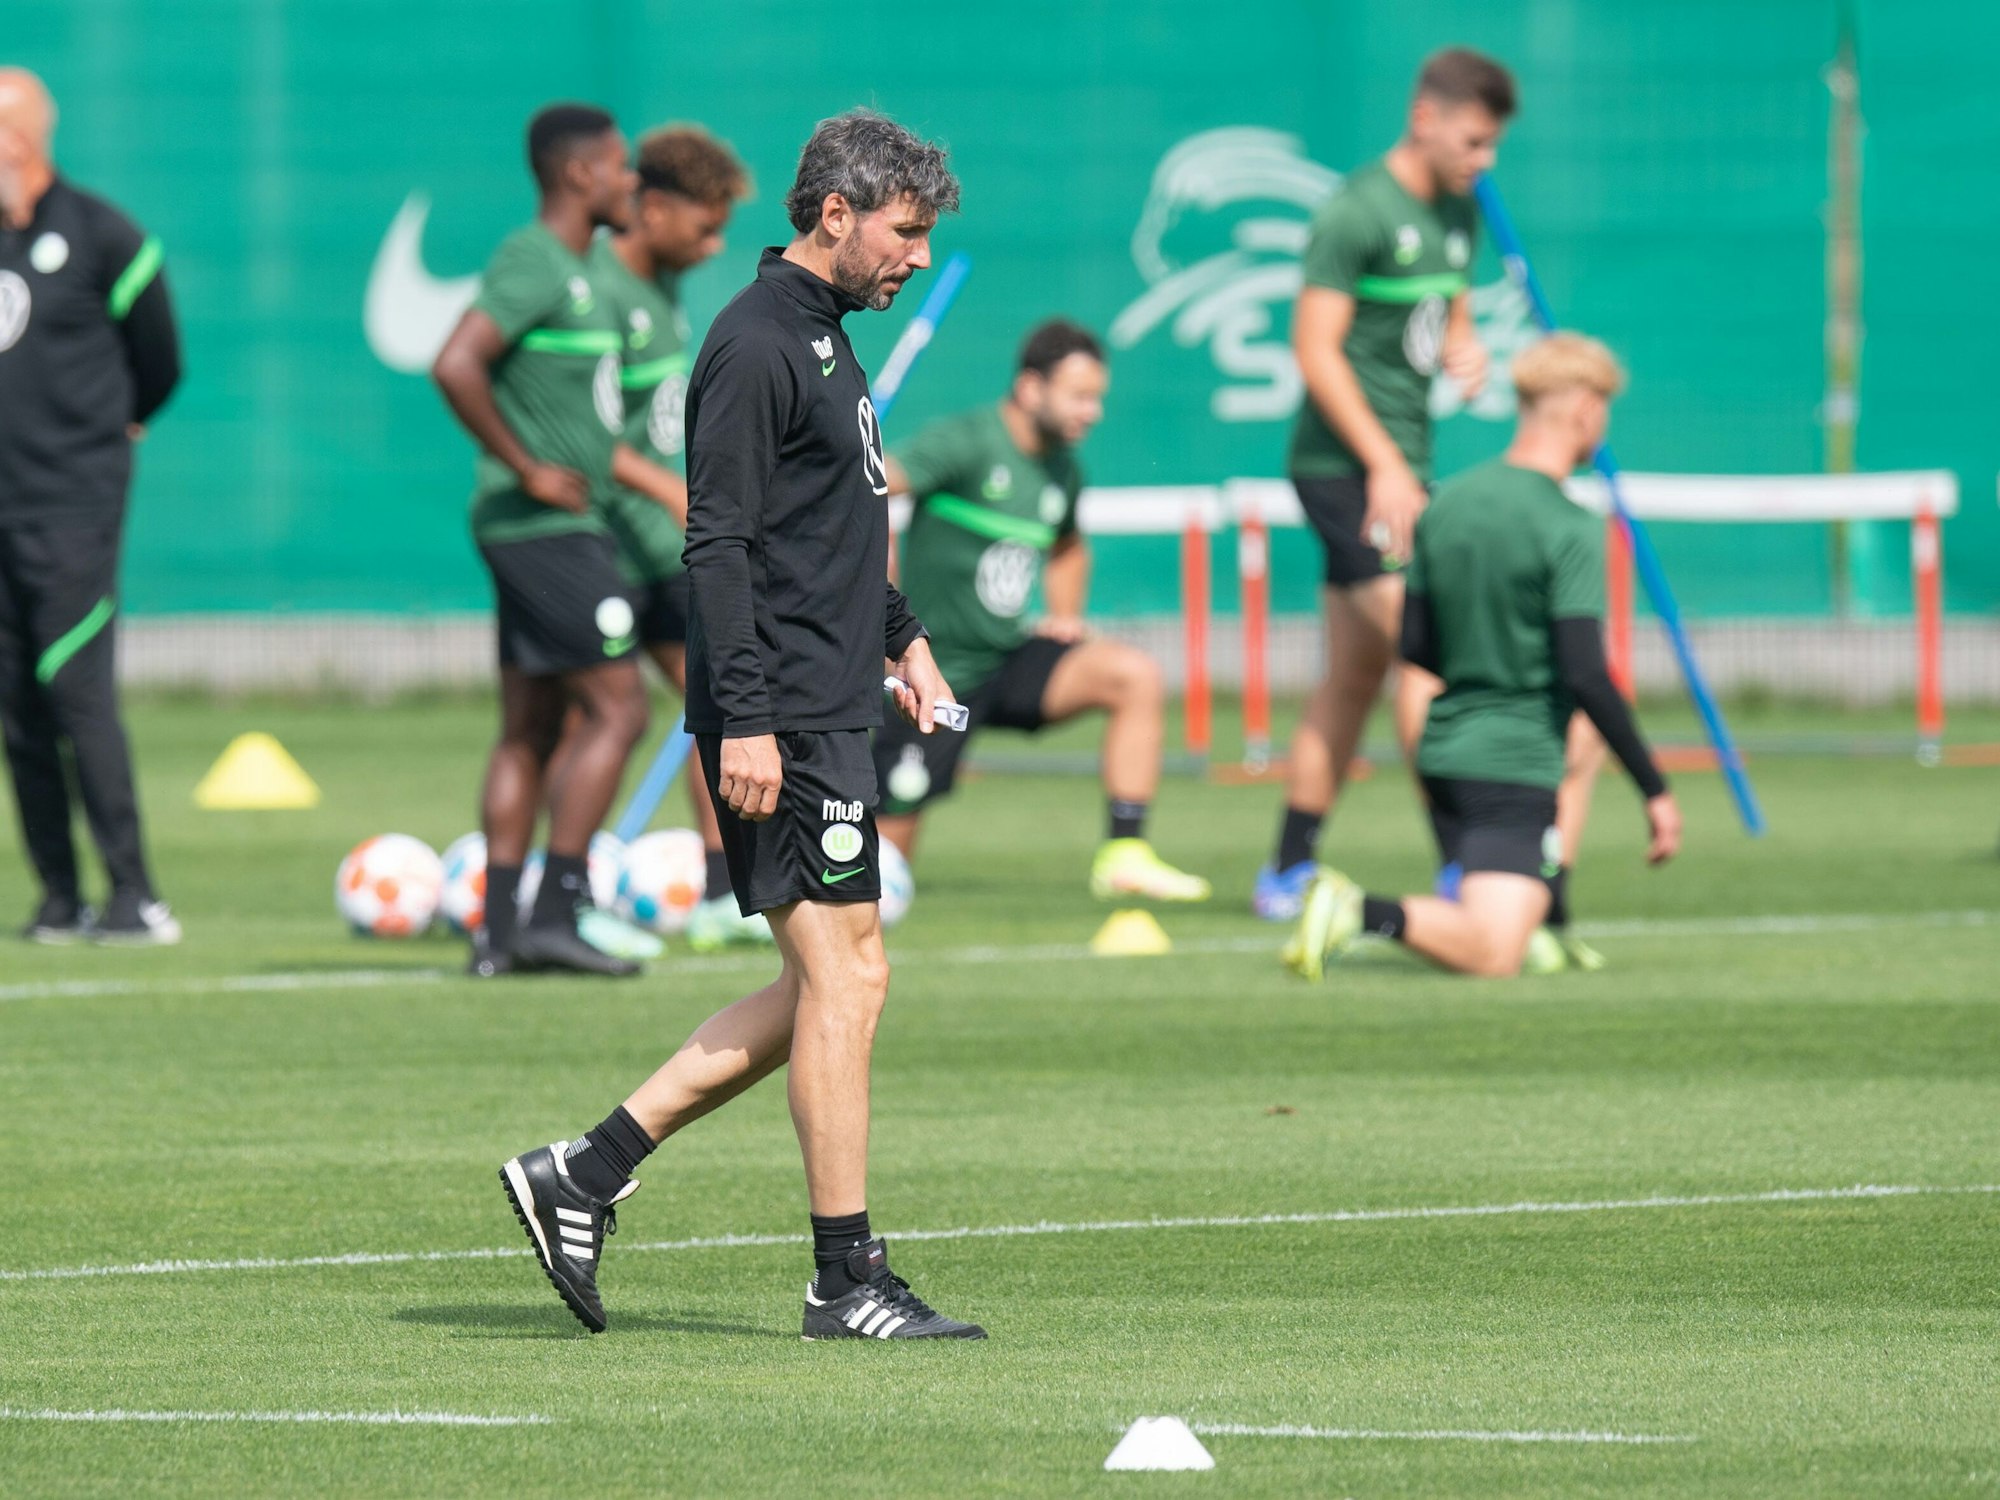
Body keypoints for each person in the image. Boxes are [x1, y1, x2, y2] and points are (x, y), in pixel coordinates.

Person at [499, 110, 984, 1341]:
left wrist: (901, 639)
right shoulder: (757, 341)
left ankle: (586, 1171)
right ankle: (843, 1277)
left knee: (836, 981)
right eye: (904, 232)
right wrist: (748, 725)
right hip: (783, 717)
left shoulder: (824, 341)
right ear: (835, 213)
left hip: (830, 703)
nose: (916, 258)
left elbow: (826, 535)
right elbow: (717, 538)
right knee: (843, 982)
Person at [1283, 334, 1680, 979]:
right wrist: (1655, 790)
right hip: (1510, 760)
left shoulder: (1446, 503)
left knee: (1577, 753)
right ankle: (1359, 910)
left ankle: (1548, 921)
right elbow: (1584, 671)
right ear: (1584, 410)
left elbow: (1415, 646)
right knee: (1493, 952)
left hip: (1444, 749)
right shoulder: (1568, 524)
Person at [1253, 48, 1512, 922]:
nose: (1485, 161)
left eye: (1494, 146)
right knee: (1427, 652)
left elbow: (1451, 315)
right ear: (1426, 117)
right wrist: (1385, 465)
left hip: (1405, 467)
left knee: (1356, 676)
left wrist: (1466, 352)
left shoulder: (1461, 210)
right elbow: (1314, 348)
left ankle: (1286, 869)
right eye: (1475, 141)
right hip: (1346, 471)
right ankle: (1467, 864)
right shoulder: (1358, 211)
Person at [875, 320, 1208, 900]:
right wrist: (880, 611)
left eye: (1098, 398)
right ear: (1031, 389)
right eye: (1080, 396)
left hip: (1004, 660)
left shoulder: (1063, 470)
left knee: (1134, 676)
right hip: (931, 674)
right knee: (882, 874)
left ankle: (1124, 855)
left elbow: (1069, 544)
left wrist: (1065, 612)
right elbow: (868, 486)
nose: (1094, 412)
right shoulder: (965, 442)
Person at [432, 104, 649, 978]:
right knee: (620, 706)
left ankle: (500, 934)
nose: (630, 180)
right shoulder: (535, 260)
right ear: (578, 175)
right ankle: (558, 909)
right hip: (544, 528)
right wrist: (523, 464)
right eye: (619, 166)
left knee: (530, 725)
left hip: (552, 526)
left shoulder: (585, 268)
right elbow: (456, 360)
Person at [0, 67, 182, 945]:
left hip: (73, 502)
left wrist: (117, 430)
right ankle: (58, 896)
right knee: (16, 705)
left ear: (31, 136)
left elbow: (161, 361)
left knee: (75, 688)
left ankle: (134, 895)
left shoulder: (100, 234)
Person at [586, 123, 769, 952]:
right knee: (590, 720)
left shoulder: (662, 292)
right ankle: (555, 894)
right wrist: (664, 484)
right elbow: (572, 428)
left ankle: (725, 890)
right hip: (597, 546)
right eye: (705, 225)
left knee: (716, 699)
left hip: (664, 552)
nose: (717, 243)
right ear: (651, 209)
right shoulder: (592, 291)